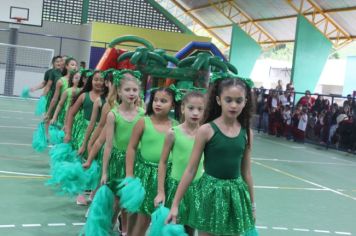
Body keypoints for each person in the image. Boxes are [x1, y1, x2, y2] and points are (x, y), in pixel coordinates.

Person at [166, 76, 257, 236]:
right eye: (228, 100)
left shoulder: (247, 133)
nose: (233, 105)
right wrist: (175, 204)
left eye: (238, 100)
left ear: (245, 101)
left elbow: (247, 173)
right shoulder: (206, 130)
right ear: (218, 100)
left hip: (235, 195)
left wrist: (252, 205)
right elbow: (190, 170)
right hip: (210, 192)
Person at [125, 87, 179, 236]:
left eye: (163, 101)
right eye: (155, 100)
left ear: (173, 105)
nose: (158, 104)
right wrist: (129, 174)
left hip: (164, 176)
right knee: (133, 211)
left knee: (146, 216)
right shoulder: (143, 122)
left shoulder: (175, 126)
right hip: (143, 173)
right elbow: (131, 148)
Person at [98, 70, 143, 235]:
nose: (131, 94)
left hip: (136, 161)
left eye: (135, 90)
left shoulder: (142, 114)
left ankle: (125, 231)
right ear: (119, 92)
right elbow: (108, 145)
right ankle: (108, 228)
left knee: (129, 202)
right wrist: (104, 172)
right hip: (117, 161)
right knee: (116, 202)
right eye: (127, 90)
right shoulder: (113, 115)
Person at [154, 90, 205, 235]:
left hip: (196, 189)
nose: (195, 113)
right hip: (175, 187)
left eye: (200, 109)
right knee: (173, 226)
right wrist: (161, 191)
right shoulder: (173, 133)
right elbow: (163, 162)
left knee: (190, 228)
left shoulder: (205, 133)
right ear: (183, 108)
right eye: (191, 108)